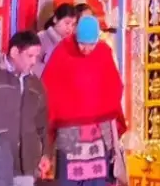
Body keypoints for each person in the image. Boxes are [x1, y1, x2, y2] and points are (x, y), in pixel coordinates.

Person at [42, 13, 125, 186]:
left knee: (98, 178)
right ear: (76, 37)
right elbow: (49, 86)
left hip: (98, 129)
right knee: (69, 177)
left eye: (91, 44)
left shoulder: (103, 51)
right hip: (70, 129)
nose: (86, 49)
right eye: (82, 44)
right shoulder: (63, 50)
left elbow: (114, 85)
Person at [0, 30, 51, 186]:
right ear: (14, 52)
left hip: (26, 164)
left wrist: (45, 153)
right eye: (30, 56)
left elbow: (42, 123)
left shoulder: (36, 84)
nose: (34, 61)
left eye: (36, 56)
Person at [36, 4, 78, 75]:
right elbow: (34, 66)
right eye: (67, 23)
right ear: (55, 19)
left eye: (73, 25)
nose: (70, 28)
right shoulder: (41, 37)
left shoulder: (71, 43)